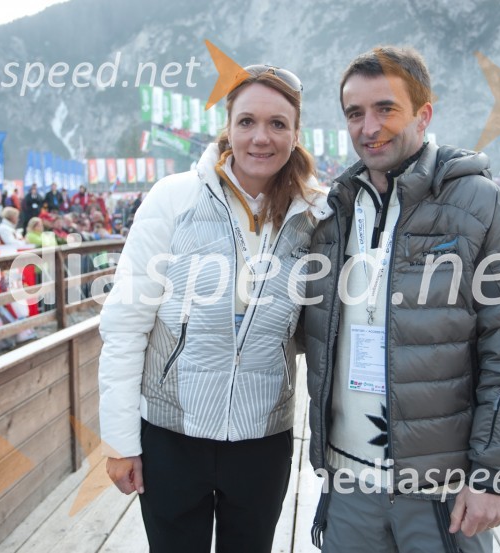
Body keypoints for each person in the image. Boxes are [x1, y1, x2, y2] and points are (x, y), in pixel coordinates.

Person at [303, 46, 500, 553]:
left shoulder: (484, 207)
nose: (369, 127)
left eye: (385, 109)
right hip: (349, 482)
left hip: (439, 490)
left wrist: (494, 477)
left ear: (423, 113)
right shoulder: (332, 215)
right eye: (355, 113)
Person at [99, 64, 330, 553]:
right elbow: (125, 325)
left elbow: (328, 325)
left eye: (277, 124)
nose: (260, 138)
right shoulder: (174, 199)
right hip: (172, 434)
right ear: (228, 126)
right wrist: (120, 441)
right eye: (246, 121)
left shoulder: (315, 215)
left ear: (295, 133)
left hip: (262, 437)